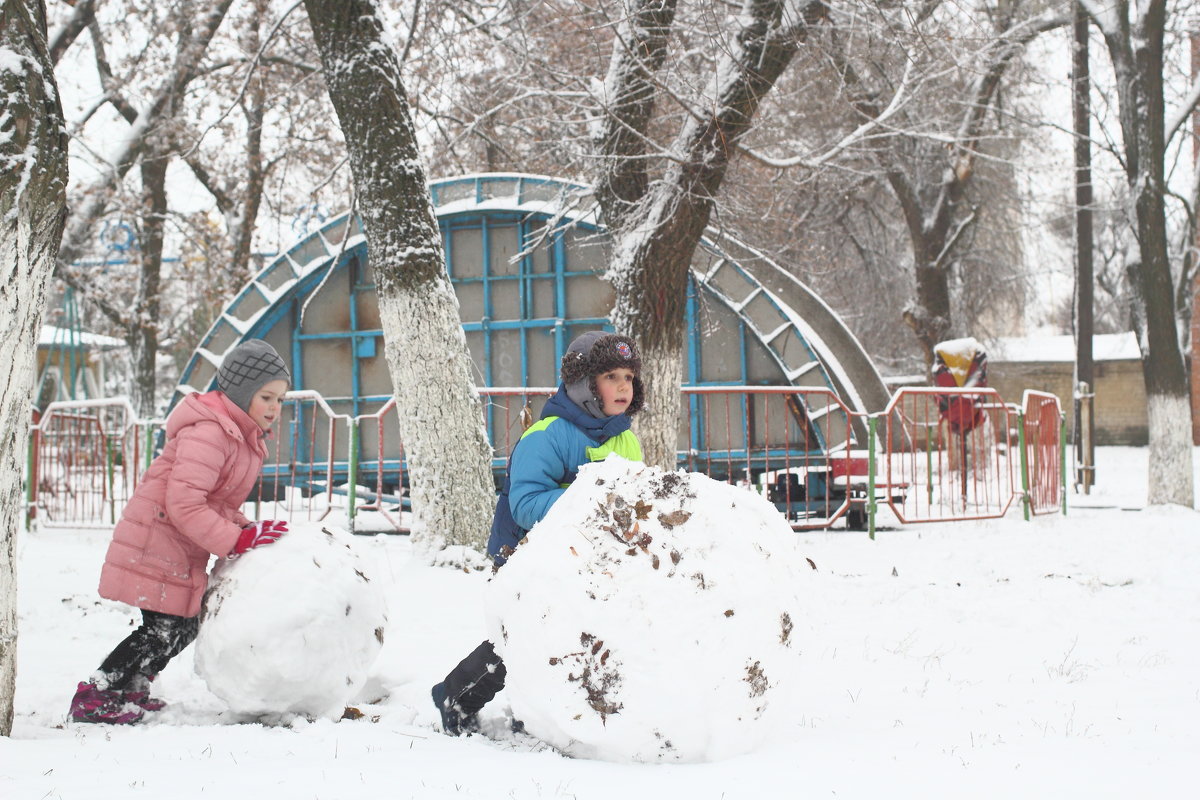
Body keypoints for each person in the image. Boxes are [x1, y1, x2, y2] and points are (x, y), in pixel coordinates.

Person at [68, 339, 293, 724]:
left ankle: (134, 684)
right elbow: (184, 503)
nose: (275, 408)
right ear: (241, 394)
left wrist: (244, 527)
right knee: (162, 629)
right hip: (156, 540)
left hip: (177, 544)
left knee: (183, 626)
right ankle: (97, 693)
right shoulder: (211, 432)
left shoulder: (240, 437)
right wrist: (233, 540)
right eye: (267, 397)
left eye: (280, 400)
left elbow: (215, 501)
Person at [431, 330, 644, 735]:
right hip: (525, 556)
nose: (623, 386)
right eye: (611, 376)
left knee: (583, 636)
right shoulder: (546, 435)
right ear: (584, 383)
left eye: (629, 377)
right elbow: (525, 504)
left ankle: (552, 712)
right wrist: (589, 496)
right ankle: (455, 696)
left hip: (588, 556)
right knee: (523, 637)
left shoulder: (626, 439)